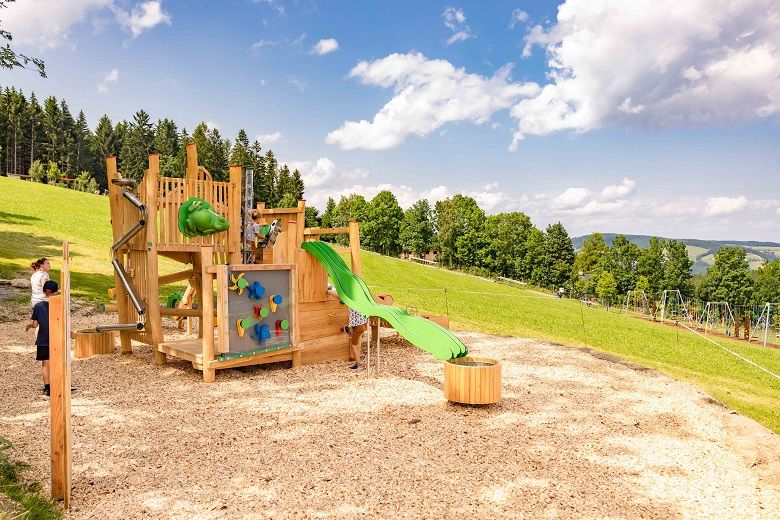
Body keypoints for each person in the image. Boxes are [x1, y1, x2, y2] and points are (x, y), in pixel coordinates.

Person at [25, 280, 59, 397]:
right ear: (56, 291)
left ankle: (47, 388)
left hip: (43, 339)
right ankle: (58, 383)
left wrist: (30, 326)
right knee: (57, 362)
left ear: (44, 291)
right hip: (57, 338)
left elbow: (35, 324)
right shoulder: (59, 305)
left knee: (45, 364)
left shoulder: (38, 306)